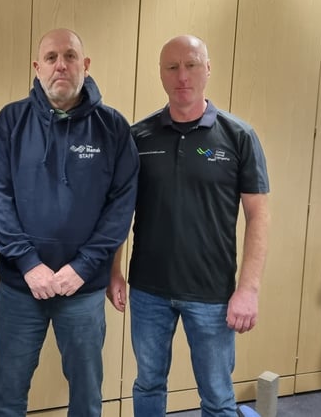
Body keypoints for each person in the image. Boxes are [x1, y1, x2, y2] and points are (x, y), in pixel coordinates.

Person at [107, 34, 270, 416]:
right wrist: (113, 271)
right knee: (148, 385)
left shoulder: (238, 137)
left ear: (208, 69)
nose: (183, 75)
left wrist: (248, 289)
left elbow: (259, 216)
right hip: (148, 291)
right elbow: (120, 210)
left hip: (212, 294)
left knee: (217, 396)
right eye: (172, 67)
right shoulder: (138, 137)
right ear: (161, 75)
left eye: (192, 64)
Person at [0, 28, 139, 417]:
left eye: (70, 56)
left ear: (85, 66)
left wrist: (84, 267)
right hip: (21, 288)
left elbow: (121, 207)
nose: (61, 65)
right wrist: (28, 263)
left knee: (87, 397)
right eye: (51, 58)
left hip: (83, 292)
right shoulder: (10, 121)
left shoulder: (113, 128)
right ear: (37, 68)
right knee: (8, 393)